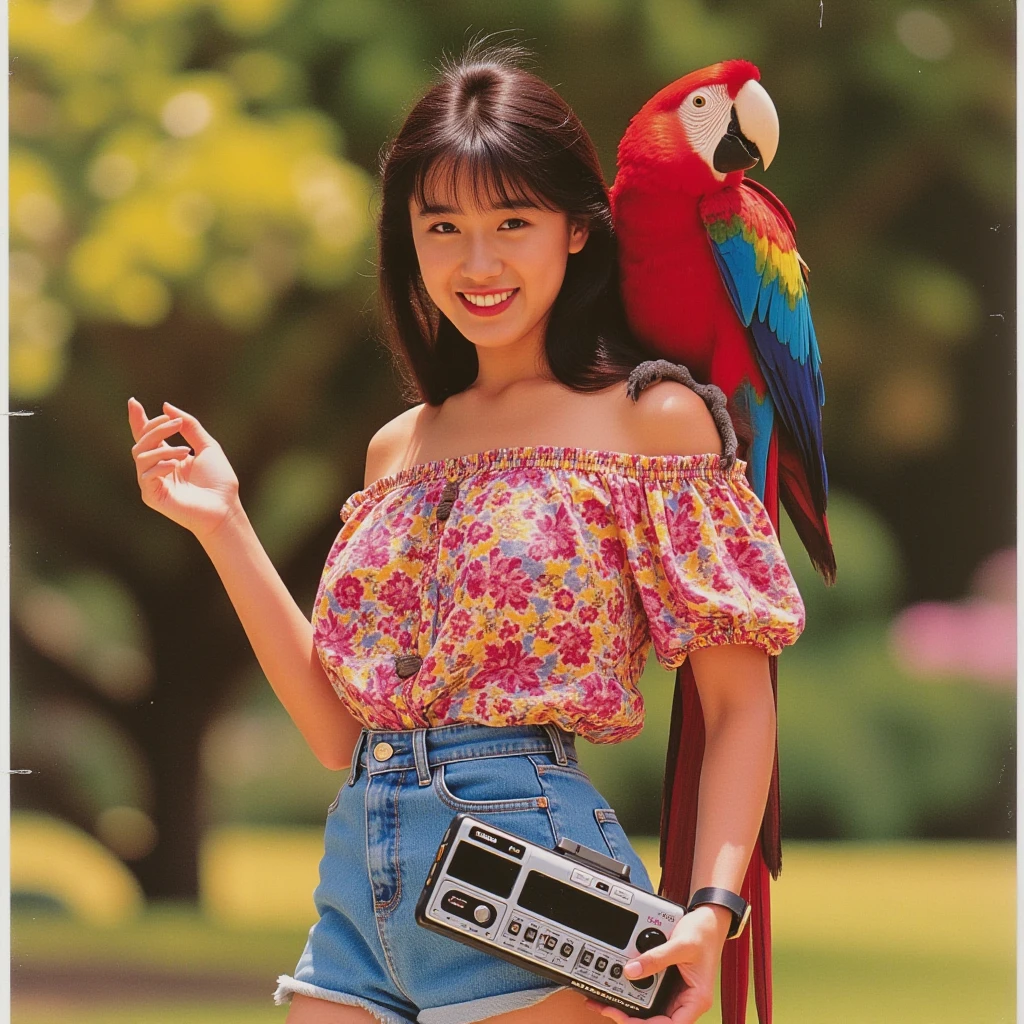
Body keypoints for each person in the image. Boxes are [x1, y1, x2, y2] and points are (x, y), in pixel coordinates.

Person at [127, 37, 805, 1024]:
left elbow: (737, 704)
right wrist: (224, 522)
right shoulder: (396, 447)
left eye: (512, 222)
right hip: (360, 893)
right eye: (440, 225)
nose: (475, 263)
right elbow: (334, 730)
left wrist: (711, 906)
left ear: (576, 231)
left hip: (531, 871)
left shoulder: (647, 419)